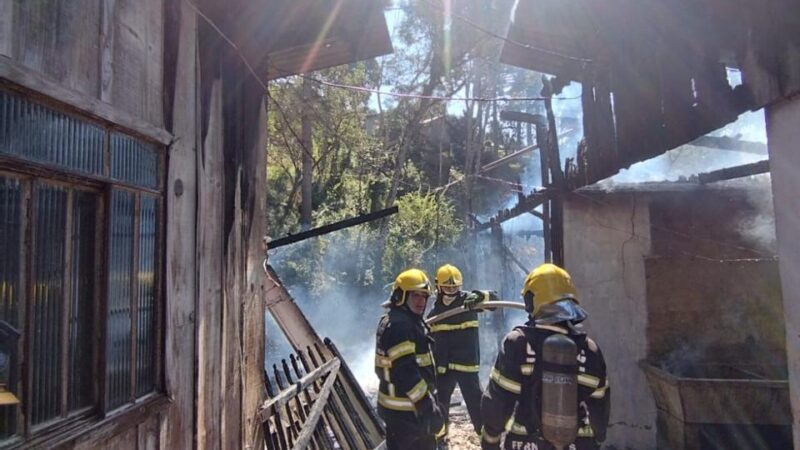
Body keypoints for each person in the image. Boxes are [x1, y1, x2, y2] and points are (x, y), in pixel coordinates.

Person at [480, 264, 610, 450]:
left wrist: (490, 441)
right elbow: (600, 413)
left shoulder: (517, 343)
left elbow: (497, 404)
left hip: (525, 443)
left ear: (532, 300)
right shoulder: (591, 350)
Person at [375, 268, 446, 449]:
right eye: (415, 296)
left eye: (424, 297)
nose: (421, 302)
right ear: (401, 296)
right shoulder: (400, 326)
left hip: (403, 414)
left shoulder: (403, 320)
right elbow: (407, 374)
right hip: (407, 414)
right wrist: (428, 408)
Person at [426, 263, 496, 437]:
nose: (451, 292)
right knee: (440, 404)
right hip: (444, 368)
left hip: (466, 366)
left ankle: (487, 439)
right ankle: (440, 438)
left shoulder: (469, 301)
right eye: (447, 288)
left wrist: (481, 295)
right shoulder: (435, 311)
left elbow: (494, 301)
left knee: (476, 404)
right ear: (438, 286)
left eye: (454, 288)